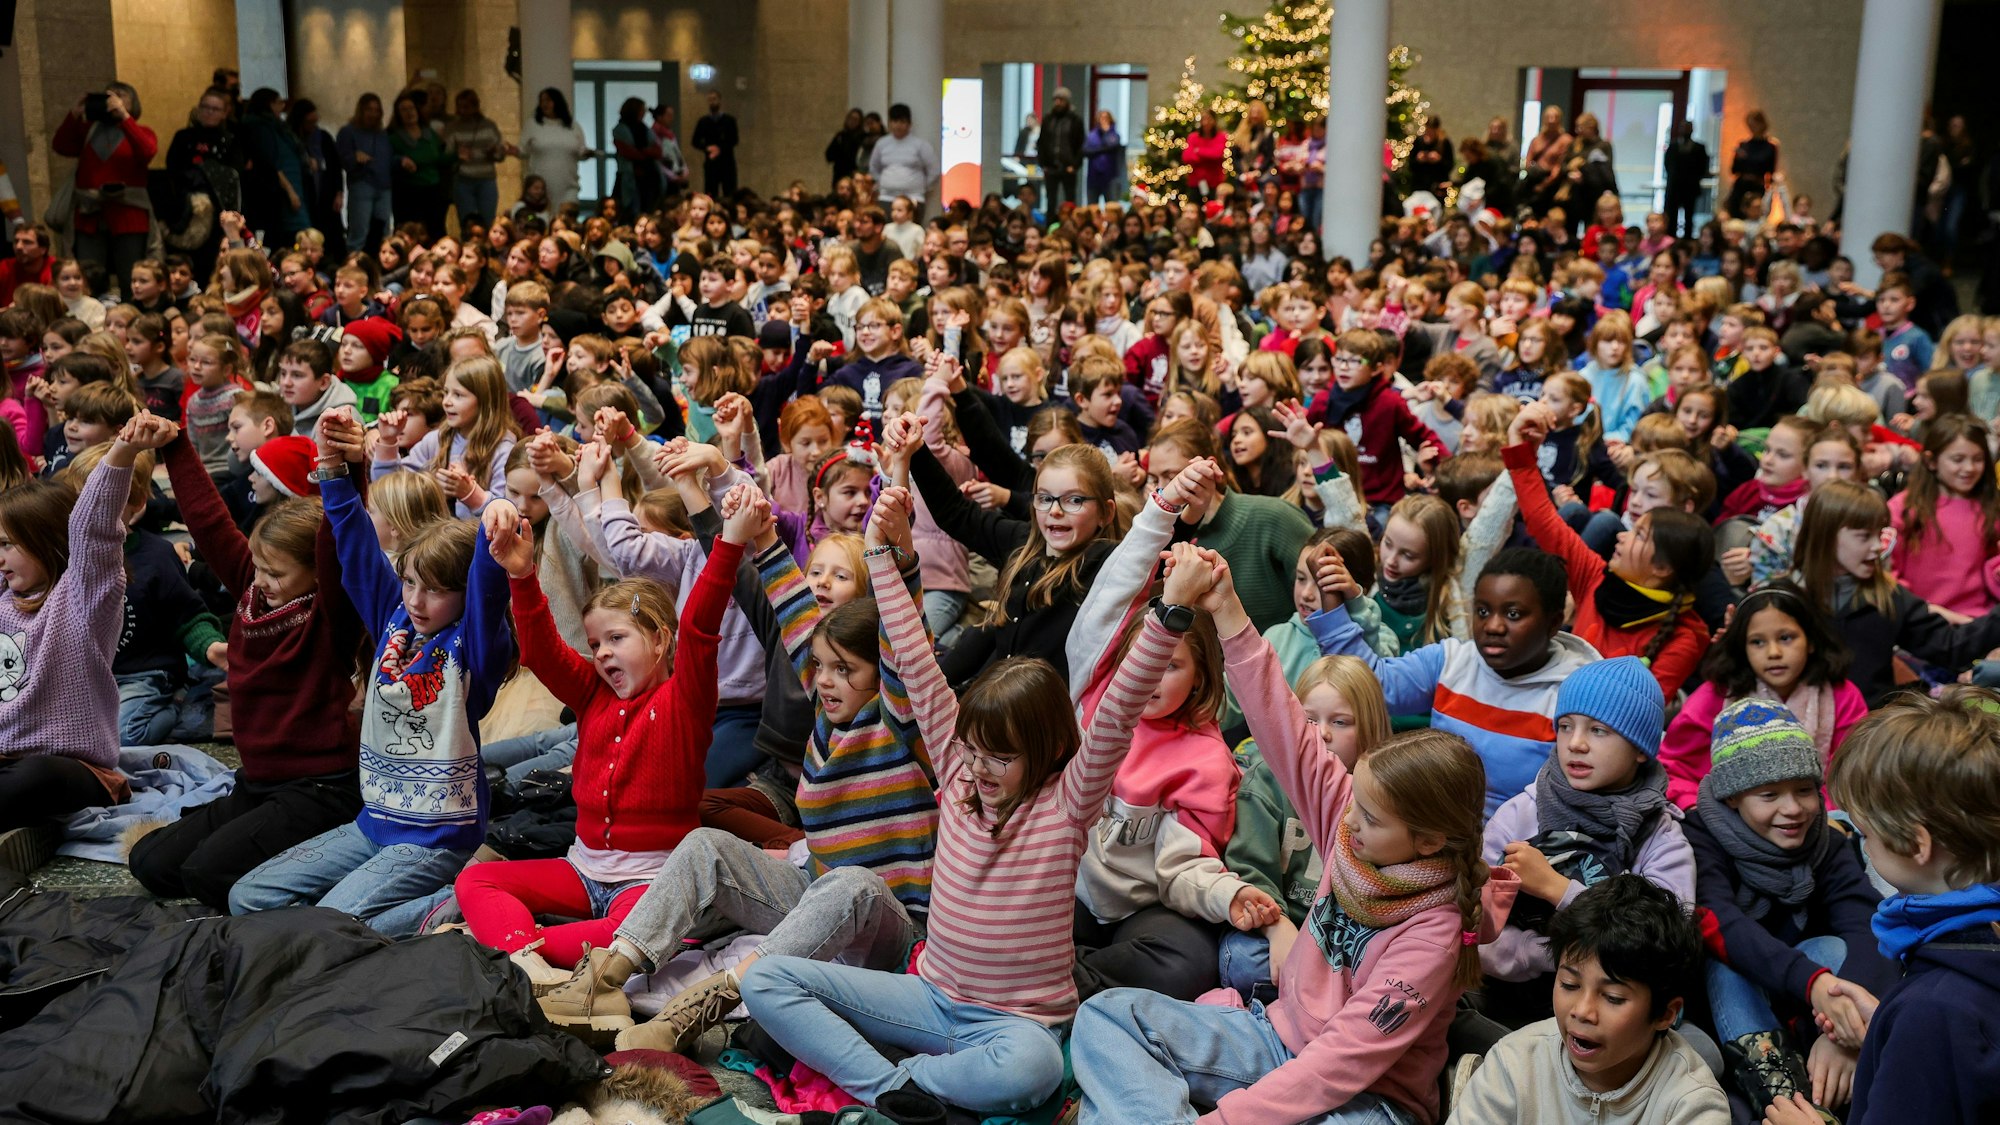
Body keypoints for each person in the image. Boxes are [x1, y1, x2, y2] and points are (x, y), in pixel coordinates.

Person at [1071, 545, 1507, 1125]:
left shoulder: (1435, 932)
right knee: (1105, 1017)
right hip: (1273, 1038)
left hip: (1371, 1099)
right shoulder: (1351, 824)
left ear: (1428, 842)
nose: (1348, 822)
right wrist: (1226, 608)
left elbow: (1339, 1065)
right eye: (1356, 803)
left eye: (1371, 819)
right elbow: (1281, 723)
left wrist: (1224, 1121)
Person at [1758, 688, 2000, 1125]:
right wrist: (1887, 1022)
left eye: (1865, 832)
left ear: (1914, 843)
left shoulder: (1933, 1012)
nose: (1862, 843)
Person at [1449, 876, 1729, 1124]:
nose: (1582, 1011)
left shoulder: (1691, 1103)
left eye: (1613, 997)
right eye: (1569, 984)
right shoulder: (1513, 1064)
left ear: (1665, 1014)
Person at [51, 82, 157, 295]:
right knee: (89, 275)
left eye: (121, 95)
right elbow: (61, 146)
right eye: (109, 94)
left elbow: (146, 152)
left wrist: (125, 118)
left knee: (131, 275)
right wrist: (75, 114)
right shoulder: (88, 130)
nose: (113, 98)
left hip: (128, 215)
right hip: (90, 214)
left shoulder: (141, 131)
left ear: (132, 102)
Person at [164, 87, 242, 279]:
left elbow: (234, 175)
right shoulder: (183, 137)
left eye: (215, 109)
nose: (208, 112)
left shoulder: (231, 140)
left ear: (225, 113)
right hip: (187, 209)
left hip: (218, 212)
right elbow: (173, 169)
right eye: (205, 107)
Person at [388, 92, 452, 242]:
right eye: (404, 109)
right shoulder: (393, 138)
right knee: (410, 232)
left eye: (411, 108)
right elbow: (388, 160)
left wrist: (457, 155)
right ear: (398, 114)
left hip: (433, 190)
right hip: (409, 192)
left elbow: (439, 158)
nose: (409, 112)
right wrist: (401, 161)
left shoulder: (430, 134)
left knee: (435, 230)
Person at [440, 89, 505, 236]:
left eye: (467, 107)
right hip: (464, 180)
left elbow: (501, 154)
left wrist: (494, 153)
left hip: (486, 179)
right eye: (460, 107)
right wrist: (457, 155)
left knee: (488, 220)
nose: (463, 111)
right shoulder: (453, 127)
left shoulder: (489, 126)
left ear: (476, 107)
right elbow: (446, 155)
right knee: (467, 220)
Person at [336, 94, 393, 255]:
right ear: (361, 110)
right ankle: (353, 267)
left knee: (384, 232)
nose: (373, 114)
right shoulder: (348, 132)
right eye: (369, 109)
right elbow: (341, 159)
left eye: (376, 110)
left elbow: (388, 159)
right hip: (362, 185)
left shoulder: (382, 135)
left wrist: (402, 160)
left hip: (384, 187)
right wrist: (354, 157)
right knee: (358, 233)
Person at [519, 88, 590, 208]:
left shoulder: (573, 126)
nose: (544, 104)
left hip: (568, 184)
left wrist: (587, 154)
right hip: (541, 186)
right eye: (542, 101)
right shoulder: (532, 125)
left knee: (566, 218)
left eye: (548, 100)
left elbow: (581, 151)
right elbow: (522, 150)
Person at [868, 103, 939, 210]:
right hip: (886, 197)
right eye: (895, 121)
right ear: (890, 123)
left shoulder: (920, 144)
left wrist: (922, 187)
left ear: (909, 124)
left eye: (902, 122)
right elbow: (873, 167)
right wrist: (882, 182)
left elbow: (934, 169)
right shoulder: (882, 143)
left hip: (913, 197)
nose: (898, 125)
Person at [610, 98, 663, 217]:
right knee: (630, 209)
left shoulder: (645, 129)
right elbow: (629, 152)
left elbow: (658, 151)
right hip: (630, 175)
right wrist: (645, 153)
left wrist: (643, 152)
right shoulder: (621, 129)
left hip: (648, 176)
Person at [1036, 87, 1085, 211]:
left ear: (1067, 102)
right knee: (1050, 200)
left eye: (1061, 100)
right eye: (1056, 100)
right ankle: (1050, 225)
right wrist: (1043, 164)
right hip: (1051, 166)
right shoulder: (1048, 119)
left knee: (1069, 200)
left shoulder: (1075, 120)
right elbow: (1041, 142)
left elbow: (1081, 144)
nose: (1058, 103)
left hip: (1068, 167)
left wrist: (1074, 165)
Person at [1663, 120, 1710, 239]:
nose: (1685, 131)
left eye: (1687, 128)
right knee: (1671, 216)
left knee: (1689, 217)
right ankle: (1671, 238)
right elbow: (1667, 165)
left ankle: (1688, 239)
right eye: (1683, 128)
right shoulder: (1673, 146)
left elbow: (1703, 167)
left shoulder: (1699, 148)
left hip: (1690, 188)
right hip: (1674, 188)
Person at [691, 91, 740, 198]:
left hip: (727, 162)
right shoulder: (703, 121)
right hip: (711, 164)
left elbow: (734, 140)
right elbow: (695, 141)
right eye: (710, 99)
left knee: (730, 192)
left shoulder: (729, 120)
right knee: (711, 193)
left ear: (720, 101)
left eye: (714, 99)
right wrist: (707, 148)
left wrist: (720, 149)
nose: (712, 102)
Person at [0, 222, 55, 309]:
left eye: (27, 242)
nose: (18, 246)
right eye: (16, 241)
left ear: (43, 249)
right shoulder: (5, 267)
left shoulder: (55, 269)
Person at [1083, 110, 1124, 205]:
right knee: (1092, 206)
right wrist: (1103, 149)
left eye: (1106, 118)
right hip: (1094, 177)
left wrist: (1107, 132)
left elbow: (1112, 145)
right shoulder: (1091, 136)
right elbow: (1086, 151)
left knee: (1111, 205)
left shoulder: (1114, 135)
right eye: (1101, 118)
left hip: (1110, 177)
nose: (1103, 120)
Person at [826, 108, 867, 188]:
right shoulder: (841, 136)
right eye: (850, 118)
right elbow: (828, 155)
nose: (852, 121)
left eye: (855, 119)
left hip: (854, 174)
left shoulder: (863, 138)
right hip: (839, 174)